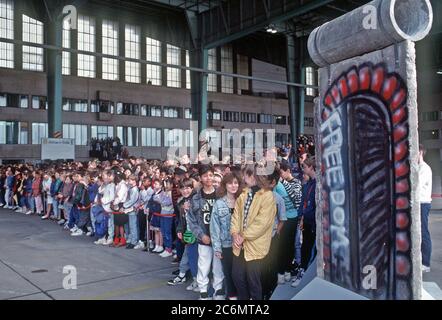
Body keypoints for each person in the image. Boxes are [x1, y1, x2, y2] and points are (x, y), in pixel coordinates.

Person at [231, 164, 277, 301]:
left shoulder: (268, 196)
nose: (243, 178)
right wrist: (234, 234)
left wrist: (242, 236)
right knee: (237, 277)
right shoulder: (244, 193)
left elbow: (262, 223)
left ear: (253, 176)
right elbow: (236, 216)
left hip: (255, 246)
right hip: (239, 245)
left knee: (253, 281)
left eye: (246, 175)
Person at [188, 165, 225, 300]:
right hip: (203, 238)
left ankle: (218, 291)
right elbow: (191, 221)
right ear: (201, 178)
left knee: (218, 267)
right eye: (205, 176)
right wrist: (201, 235)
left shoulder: (221, 195)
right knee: (203, 266)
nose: (208, 178)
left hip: (219, 238)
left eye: (210, 175)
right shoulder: (195, 198)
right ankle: (203, 292)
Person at [210, 172, 243, 300]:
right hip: (226, 245)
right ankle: (232, 296)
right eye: (230, 183)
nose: (233, 186)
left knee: (240, 274)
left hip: (242, 244)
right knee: (228, 273)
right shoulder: (219, 204)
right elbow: (214, 227)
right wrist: (217, 248)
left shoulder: (243, 200)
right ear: (225, 185)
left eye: (236, 182)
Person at [168, 178, 198, 289]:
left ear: (192, 188)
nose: (185, 191)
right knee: (188, 256)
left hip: (198, 235)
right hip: (188, 234)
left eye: (187, 188)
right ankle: (184, 276)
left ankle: (196, 280)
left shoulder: (196, 199)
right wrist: (180, 230)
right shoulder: (180, 202)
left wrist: (189, 209)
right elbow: (181, 220)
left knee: (194, 258)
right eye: (183, 188)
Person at [275, 161, 302, 283]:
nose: (280, 175)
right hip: (283, 218)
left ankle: (286, 271)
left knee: (290, 245)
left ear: (288, 171)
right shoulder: (277, 183)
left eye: (281, 172)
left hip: (292, 217)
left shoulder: (295, 182)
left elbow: (295, 197)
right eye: (279, 173)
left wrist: (282, 181)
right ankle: (282, 272)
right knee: (282, 246)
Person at [292, 157, 317, 287]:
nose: (303, 169)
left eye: (305, 167)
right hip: (307, 222)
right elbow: (303, 203)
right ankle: (303, 271)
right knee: (305, 247)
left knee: (310, 248)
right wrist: (301, 217)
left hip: (314, 223)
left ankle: (306, 273)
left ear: (311, 167)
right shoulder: (308, 185)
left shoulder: (317, 184)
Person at [418, 144, 433, 273]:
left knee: (424, 233)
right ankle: (420, 260)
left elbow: (416, 184)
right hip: (419, 204)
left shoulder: (425, 169)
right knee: (419, 233)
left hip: (423, 204)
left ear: (420, 152)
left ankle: (426, 264)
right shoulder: (418, 168)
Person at [124, 175, 140, 249]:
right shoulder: (130, 188)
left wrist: (124, 205)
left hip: (133, 210)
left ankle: (134, 241)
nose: (129, 181)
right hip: (129, 209)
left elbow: (132, 200)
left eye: (130, 180)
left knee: (133, 226)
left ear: (134, 181)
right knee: (131, 226)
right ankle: (132, 240)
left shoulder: (135, 189)